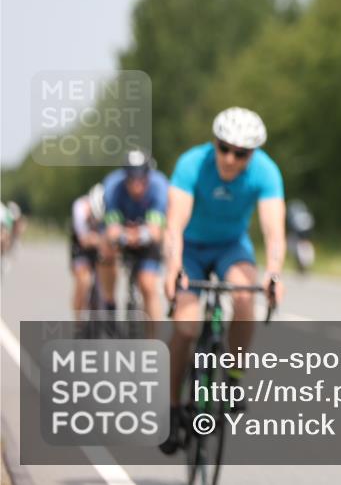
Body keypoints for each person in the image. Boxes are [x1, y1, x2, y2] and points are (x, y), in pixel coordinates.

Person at [160, 106, 286, 454]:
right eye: (224, 148)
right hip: (190, 250)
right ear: (214, 143)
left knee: (246, 297)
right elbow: (174, 224)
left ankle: (233, 379)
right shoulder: (191, 164)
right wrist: (173, 267)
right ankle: (171, 408)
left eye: (241, 153)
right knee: (186, 327)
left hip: (232, 247)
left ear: (252, 154)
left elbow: (274, 231)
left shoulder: (266, 172)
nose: (230, 159)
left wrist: (274, 272)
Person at [103, 150, 169, 323]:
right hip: (123, 235)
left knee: (148, 285)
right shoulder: (112, 186)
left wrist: (138, 235)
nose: (136, 185)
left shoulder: (159, 185)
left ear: (149, 175)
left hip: (147, 239)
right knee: (106, 249)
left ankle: (156, 339)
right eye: (131, 179)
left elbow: (155, 232)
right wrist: (124, 236)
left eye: (141, 179)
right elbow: (112, 230)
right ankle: (109, 303)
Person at [69, 184, 110, 319]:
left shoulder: (110, 207)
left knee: (106, 276)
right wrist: (101, 240)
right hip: (80, 247)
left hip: (98, 244)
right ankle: (78, 321)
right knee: (84, 280)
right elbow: (84, 240)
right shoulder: (79, 208)